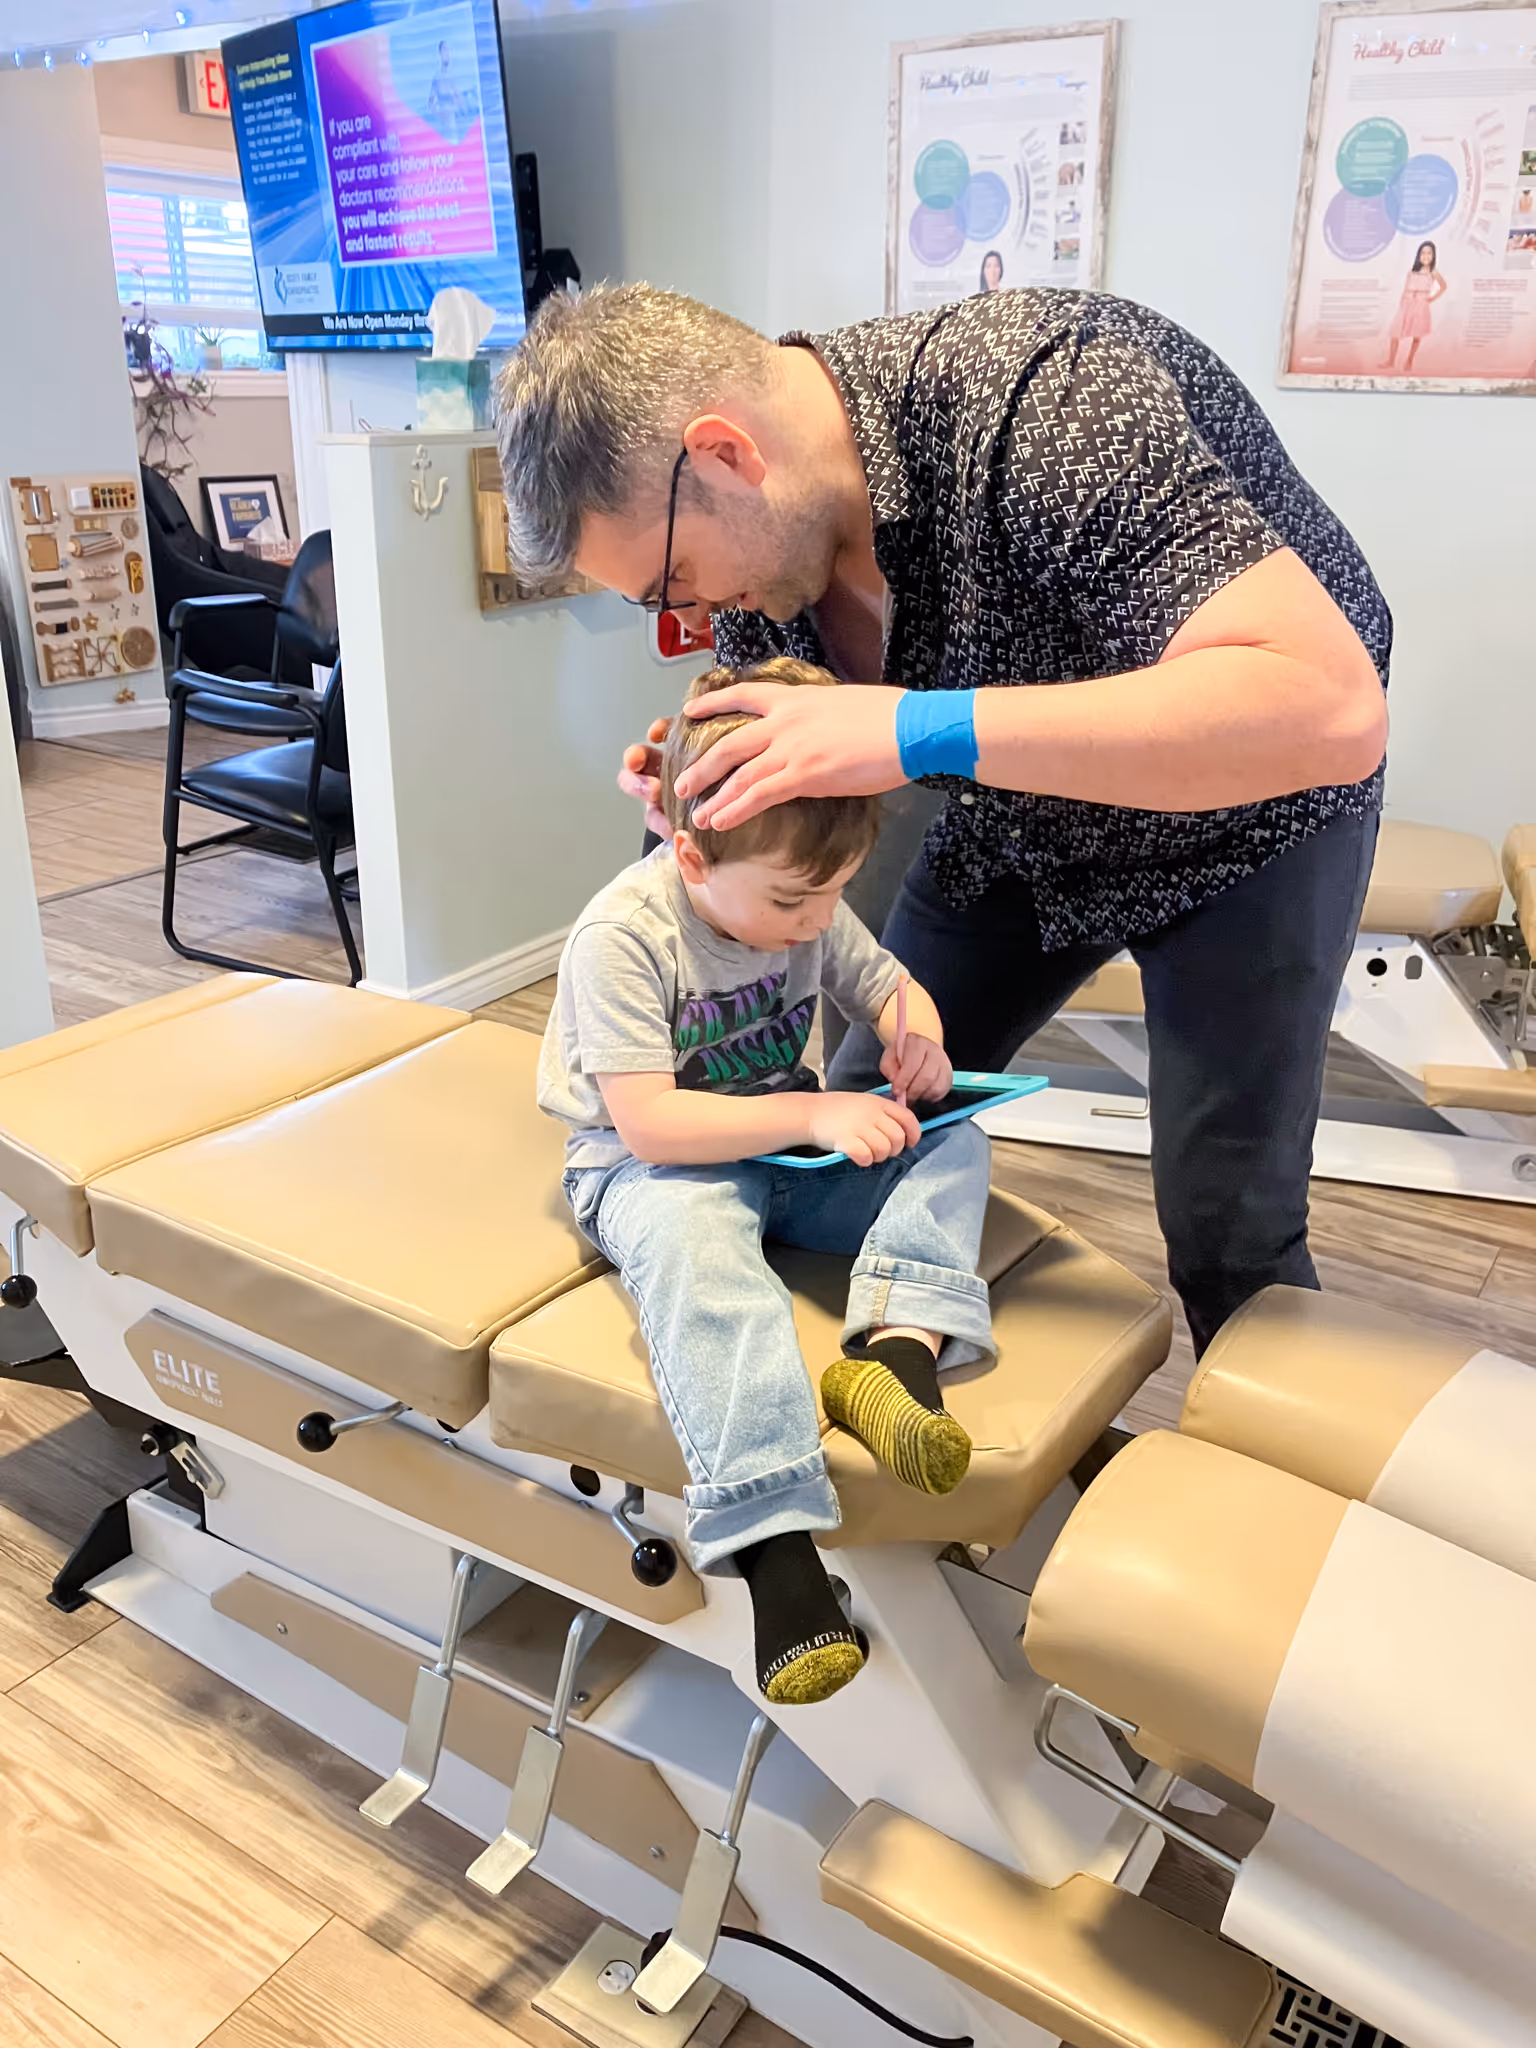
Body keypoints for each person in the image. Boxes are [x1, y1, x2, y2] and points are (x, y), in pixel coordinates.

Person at [496, 282, 1391, 1356]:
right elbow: (773, 791)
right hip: (1016, 814)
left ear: (726, 454)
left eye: (672, 580)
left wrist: (912, 730)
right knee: (867, 1109)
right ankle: (877, 1380)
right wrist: (697, 810)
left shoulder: (1053, 396)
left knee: (1227, 1226)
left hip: (1248, 821)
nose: (687, 616)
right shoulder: (764, 560)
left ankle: (1277, 1499)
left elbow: (1331, 707)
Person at [538, 657, 993, 1706]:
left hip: (781, 1153)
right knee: (708, 1265)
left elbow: (892, 985)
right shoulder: (623, 935)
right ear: (690, 852)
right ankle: (775, 1548)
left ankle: (892, 1352)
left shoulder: (808, 900)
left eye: (833, 891)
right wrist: (815, 1110)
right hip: (646, 1164)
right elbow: (649, 1119)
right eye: (795, 898)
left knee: (951, 1143)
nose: (816, 918)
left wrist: (914, 1040)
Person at [1382, 241, 1447, 373]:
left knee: (1417, 335)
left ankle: (1409, 360)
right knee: (1396, 332)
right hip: (1407, 303)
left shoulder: (1433, 272)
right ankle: (1391, 361)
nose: (1426, 256)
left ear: (1433, 255)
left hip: (1421, 305)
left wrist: (1432, 298)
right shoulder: (1412, 271)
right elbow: (1406, 287)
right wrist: (1402, 302)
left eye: (1429, 253)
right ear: (1419, 255)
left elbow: (1443, 286)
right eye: (1423, 253)